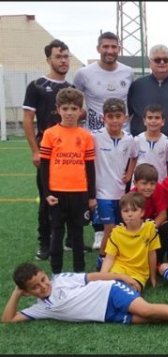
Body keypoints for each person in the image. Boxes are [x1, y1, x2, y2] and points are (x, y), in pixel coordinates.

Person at [2, 262, 168, 332]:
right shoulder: (39, 308)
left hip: (110, 292)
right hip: (106, 315)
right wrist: (16, 293)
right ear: (28, 292)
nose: (43, 287)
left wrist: (122, 277)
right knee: (151, 317)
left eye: (43, 280)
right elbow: (8, 320)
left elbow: (93, 276)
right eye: (35, 287)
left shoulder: (62, 279)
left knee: (146, 309)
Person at [22, 39, 73, 261]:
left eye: (66, 57)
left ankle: (71, 240)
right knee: (46, 198)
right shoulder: (36, 86)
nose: (63, 61)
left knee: (72, 197)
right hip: (48, 153)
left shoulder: (70, 89)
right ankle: (45, 243)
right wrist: (35, 150)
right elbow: (27, 120)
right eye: (58, 57)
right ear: (48, 59)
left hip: (70, 154)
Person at [39, 88, 96, 274]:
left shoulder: (86, 136)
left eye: (74, 108)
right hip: (56, 193)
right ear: (58, 109)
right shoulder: (50, 134)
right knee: (57, 232)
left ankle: (79, 273)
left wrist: (91, 196)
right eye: (65, 108)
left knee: (77, 234)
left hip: (79, 193)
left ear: (81, 110)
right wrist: (47, 193)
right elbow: (44, 167)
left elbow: (89, 167)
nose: (70, 112)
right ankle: (56, 272)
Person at [92, 98, 138, 253]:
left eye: (118, 116)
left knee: (121, 228)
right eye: (110, 116)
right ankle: (102, 258)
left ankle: (118, 256)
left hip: (120, 193)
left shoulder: (129, 139)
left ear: (125, 118)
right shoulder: (95, 137)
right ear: (103, 118)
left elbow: (134, 156)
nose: (114, 120)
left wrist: (129, 173)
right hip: (102, 193)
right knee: (109, 228)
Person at [73, 32, 134, 132]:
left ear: (119, 49)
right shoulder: (83, 73)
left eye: (114, 47)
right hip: (94, 135)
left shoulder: (128, 72)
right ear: (98, 48)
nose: (110, 51)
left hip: (123, 134)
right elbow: (73, 103)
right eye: (105, 46)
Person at [100, 192, 160, 290]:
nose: (130, 214)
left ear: (142, 212)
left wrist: (153, 278)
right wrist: (102, 277)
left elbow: (151, 254)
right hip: (118, 269)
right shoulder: (116, 232)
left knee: (129, 291)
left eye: (134, 210)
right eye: (126, 211)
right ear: (121, 213)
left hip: (138, 274)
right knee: (108, 288)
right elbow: (109, 258)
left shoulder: (150, 228)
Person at [128, 44, 168, 141]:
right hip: (141, 147)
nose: (162, 62)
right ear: (150, 63)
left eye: (166, 60)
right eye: (157, 60)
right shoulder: (137, 86)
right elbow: (127, 114)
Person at [131, 164, 168, 264]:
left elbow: (163, 215)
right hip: (137, 224)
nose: (148, 187)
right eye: (144, 183)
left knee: (167, 228)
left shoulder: (158, 189)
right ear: (135, 183)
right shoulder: (131, 197)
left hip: (152, 223)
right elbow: (128, 219)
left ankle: (158, 261)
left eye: (152, 183)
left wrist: (149, 228)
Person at [132, 104, 168, 184]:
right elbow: (133, 160)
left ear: (163, 122)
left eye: (157, 118)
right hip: (139, 184)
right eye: (150, 117)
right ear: (144, 121)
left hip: (159, 183)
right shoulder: (137, 140)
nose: (153, 121)